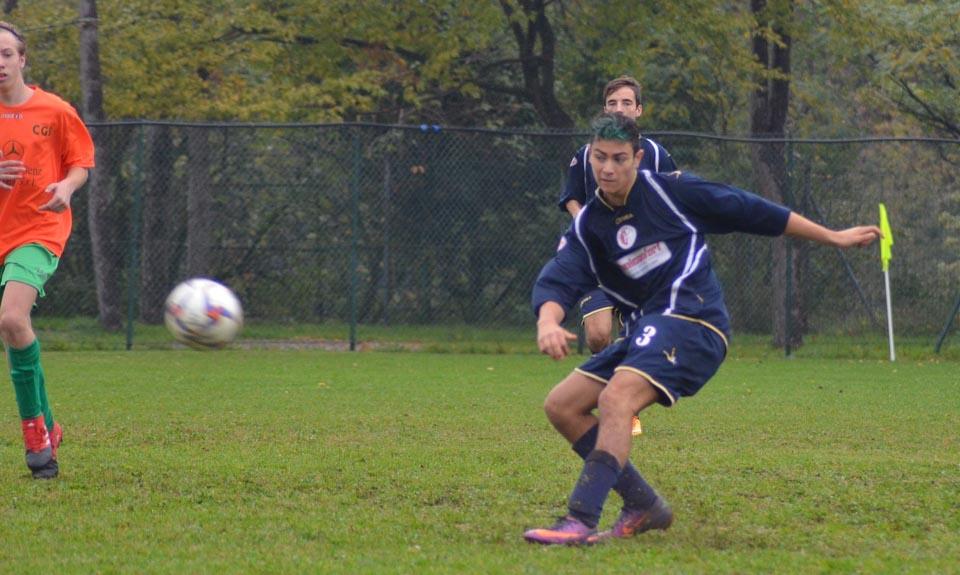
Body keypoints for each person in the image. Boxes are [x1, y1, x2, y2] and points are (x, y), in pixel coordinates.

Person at [524, 113, 880, 545]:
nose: (608, 168)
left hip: (695, 322)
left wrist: (833, 236)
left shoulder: (672, 191)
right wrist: (548, 321)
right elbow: (560, 278)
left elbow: (750, 209)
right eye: (599, 158)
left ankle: (580, 519)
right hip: (647, 330)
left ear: (638, 158)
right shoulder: (589, 225)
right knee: (562, 405)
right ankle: (643, 504)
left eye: (619, 158)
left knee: (617, 398)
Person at [0, 21, 96, 479]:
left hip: (38, 229)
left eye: (6, 54)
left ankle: (35, 435)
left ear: (22, 59)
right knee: (17, 333)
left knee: (11, 319)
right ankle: (50, 424)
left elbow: (80, 164)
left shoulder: (55, 111)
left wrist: (68, 186)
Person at [557, 75, 677, 357]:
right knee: (598, 337)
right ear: (605, 110)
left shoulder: (655, 155)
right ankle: (608, 371)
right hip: (598, 261)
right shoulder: (587, 154)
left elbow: (674, 200)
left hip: (641, 261)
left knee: (634, 338)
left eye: (626, 102)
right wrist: (584, 224)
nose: (619, 109)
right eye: (612, 103)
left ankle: (620, 379)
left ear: (639, 110)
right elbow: (571, 196)